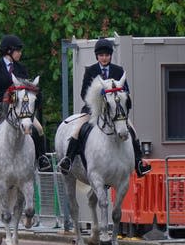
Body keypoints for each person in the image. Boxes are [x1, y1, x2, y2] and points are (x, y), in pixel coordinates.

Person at [57, 38, 152, 177]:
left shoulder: (118, 71)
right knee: (77, 129)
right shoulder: (91, 70)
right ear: (97, 56)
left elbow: (125, 90)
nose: (104, 58)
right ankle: (68, 159)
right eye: (101, 55)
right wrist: (99, 98)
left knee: (132, 130)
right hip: (93, 110)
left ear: (110, 56)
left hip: (115, 111)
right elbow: (84, 93)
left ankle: (138, 162)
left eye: (107, 55)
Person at [0, 35, 51, 172]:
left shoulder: (22, 68)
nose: (20, 53)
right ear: (9, 51)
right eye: (17, 51)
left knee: (38, 129)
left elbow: (27, 89)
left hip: (19, 110)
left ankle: (41, 157)